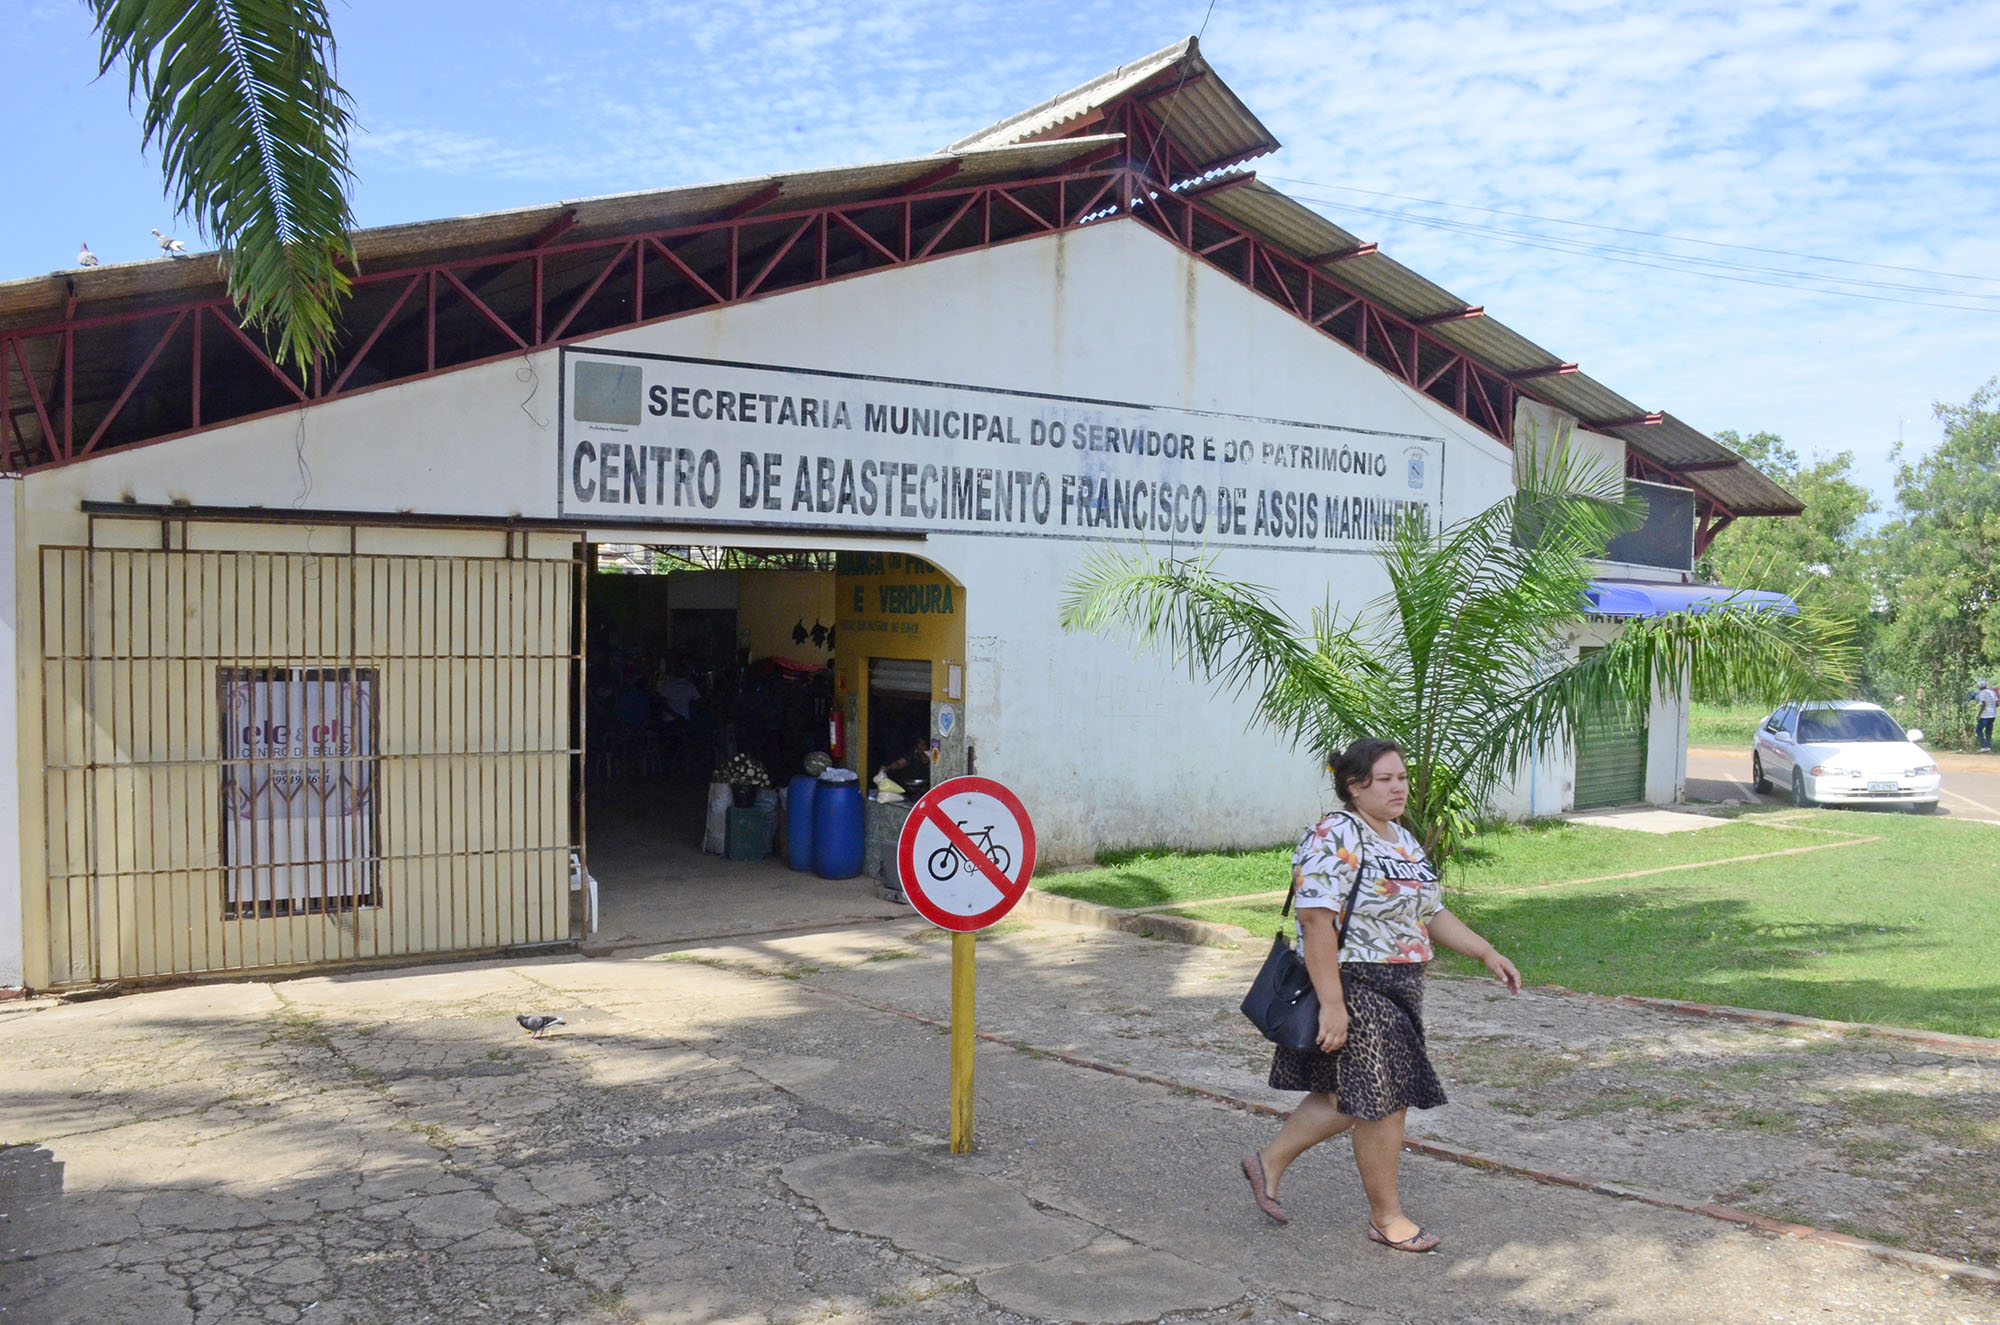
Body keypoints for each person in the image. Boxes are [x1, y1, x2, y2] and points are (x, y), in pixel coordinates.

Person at [1240, 737, 1521, 1253]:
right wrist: (1333, 1004)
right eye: (1386, 779)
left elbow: (1431, 913)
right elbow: (1315, 920)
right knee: (1384, 1101)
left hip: (1401, 984)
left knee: (1344, 1096)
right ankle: (1387, 1218)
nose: (1399, 787)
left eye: (1403, 778)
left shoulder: (1402, 840)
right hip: (1355, 981)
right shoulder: (1336, 834)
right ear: (1355, 786)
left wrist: (1485, 952)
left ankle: (1268, 1162)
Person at [1973, 681, 1997, 753]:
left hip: (1985, 715)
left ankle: (1984, 746)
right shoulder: (1992, 692)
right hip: (1993, 714)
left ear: (1980, 687)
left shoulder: (1982, 693)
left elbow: (1984, 704)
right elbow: (1997, 703)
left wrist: (1979, 715)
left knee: (1978, 730)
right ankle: (1989, 747)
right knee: (1988, 731)